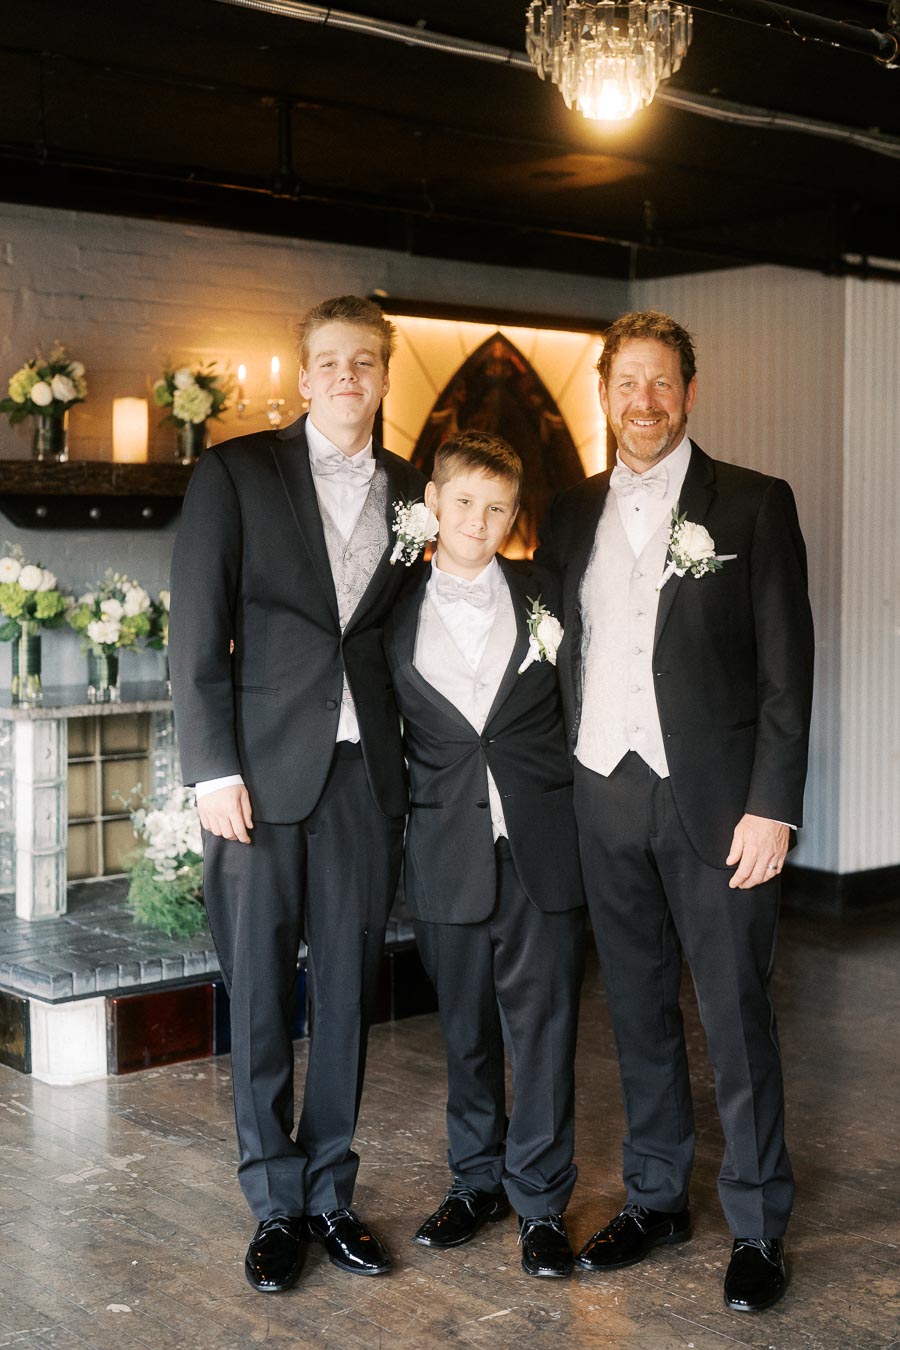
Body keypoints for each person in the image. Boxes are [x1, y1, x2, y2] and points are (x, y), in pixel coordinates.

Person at [536, 310, 814, 1312]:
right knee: (639, 1013)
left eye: (662, 384)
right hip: (601, 793)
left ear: (688, 394)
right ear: (603, 394)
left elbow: (788, 673)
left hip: (719, 805)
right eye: (627, 384)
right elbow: (556, 649)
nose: (643, 402)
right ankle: (657, 1198)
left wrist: (772, 806)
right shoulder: (567, 513)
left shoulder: (751, 503)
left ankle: (758, 1223)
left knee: (736, 1015)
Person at [168, 295, 426, 1293]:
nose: (349, 377)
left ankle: (331, 1193)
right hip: (259, 782)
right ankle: (275, 1202)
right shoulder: (237, 471)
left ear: (382, 374)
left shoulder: (413, 491)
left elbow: (405, 635)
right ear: (303, 374)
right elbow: (196, 629)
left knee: (351, 995)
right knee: (265, 993)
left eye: (366, 361)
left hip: (369, 781)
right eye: (331, 361)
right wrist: (211, 767)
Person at [385, 430, 586, 1279]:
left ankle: (539, 1200)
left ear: (514, 515)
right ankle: (477, 1181)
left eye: (497, 506)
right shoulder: (387, 612)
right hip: (443, 845)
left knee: (542, 1031)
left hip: (541, 844)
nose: (479, 518)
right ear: (433, 501)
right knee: (464, 1030)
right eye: (464, 501)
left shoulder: (549, 595)